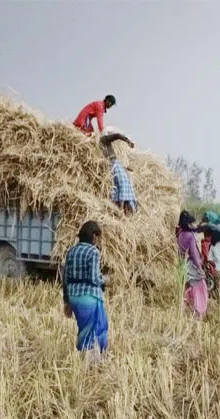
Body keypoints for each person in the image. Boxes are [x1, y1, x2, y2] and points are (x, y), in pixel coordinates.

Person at [62, 221, 110, 354]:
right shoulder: (93, 252)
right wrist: (105, 279)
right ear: (94, 236)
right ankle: (91, 362)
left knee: (84, 329)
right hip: (89, 297)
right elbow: (94, 278)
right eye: (98, 238)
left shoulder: (71, 251)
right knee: (97, 329)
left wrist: (66, 301)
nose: (98, 242)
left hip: (74, 298)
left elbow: (65, 278)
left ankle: (84, 360)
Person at [176, 210, 208, 318]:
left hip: (182, 265)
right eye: (192, 223)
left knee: (186, 288)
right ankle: (198, 312)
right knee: (199, 287)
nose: (194, 224)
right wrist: (200, 268)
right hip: (191, 265)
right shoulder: (190, 236)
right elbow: (194, 254)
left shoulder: (180, 234)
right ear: (188, 224)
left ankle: (185, 311)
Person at [99, 131, 137, 215]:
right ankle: (120, 209)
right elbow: (118, 135)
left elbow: (117, 136)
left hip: (114, 163)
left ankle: (128, 208)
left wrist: (127, 141)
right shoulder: (103, 139)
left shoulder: (103, 141)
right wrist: (128, 141)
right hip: (111, 164)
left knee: (127, 184)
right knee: (122, 183)